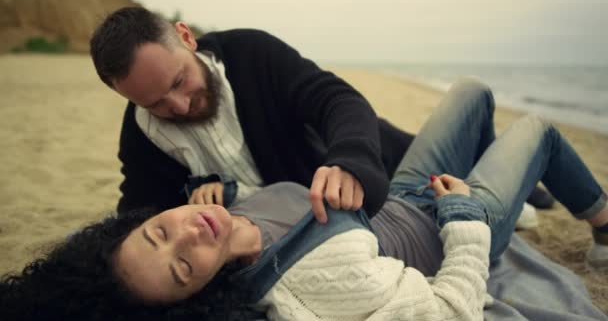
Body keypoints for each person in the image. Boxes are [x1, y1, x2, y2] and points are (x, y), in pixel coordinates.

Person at [2, 79, 605, 320]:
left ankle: (508, 183)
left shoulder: (225, 213)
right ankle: (600, 226)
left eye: (159, 232)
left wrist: (230, 192)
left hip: (398, 194)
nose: (189, 233)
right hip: (449, 224)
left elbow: (280, 198)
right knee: (543, 132)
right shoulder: (312, 284)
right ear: (201, 293)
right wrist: (468, 220)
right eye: (183, 267)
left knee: (472, 93)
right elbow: (451, 311)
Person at [89, 7, 553, 223]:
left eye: (178, 83)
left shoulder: (251, 52)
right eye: (154, 103)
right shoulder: (143, 133)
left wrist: (349, 158)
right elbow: (140, 213)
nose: (178, 106)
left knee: (466, 142)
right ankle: (516, 182)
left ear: (187, 38)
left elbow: (338, 100)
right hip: (338, 213)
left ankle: (525, 185)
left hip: (375, 155)